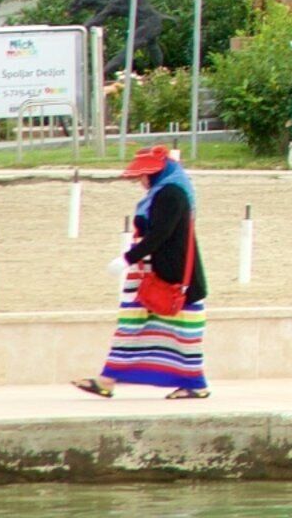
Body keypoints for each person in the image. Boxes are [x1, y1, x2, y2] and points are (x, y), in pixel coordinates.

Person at [73, 146, 206, 399]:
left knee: (170, 332)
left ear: (156, 174)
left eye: (144, 175)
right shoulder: (169, 191)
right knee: (141, 328)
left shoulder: (170, 194)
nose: (140, 181)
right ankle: (108, 379)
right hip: (158, 273)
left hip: (170, 276)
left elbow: (159, 235)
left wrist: (126, 259)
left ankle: (194, 384)